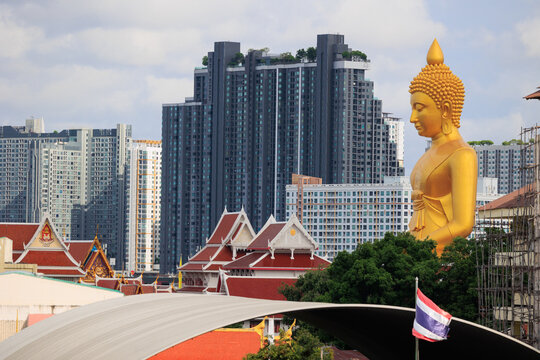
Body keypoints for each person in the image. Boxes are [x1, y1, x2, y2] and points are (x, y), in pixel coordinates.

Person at [408, 39, 477, 256]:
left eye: (419, 109)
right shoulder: (429, 154)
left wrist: (419, 247)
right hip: (412, 250)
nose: (412, 118)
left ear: (445, 108)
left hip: (439, 255)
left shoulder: (462, 155)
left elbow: (463, 225)